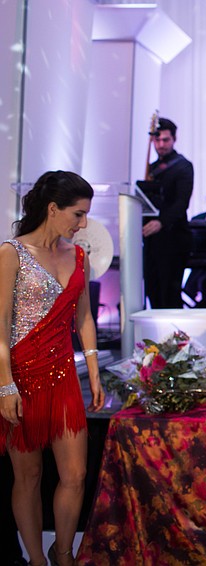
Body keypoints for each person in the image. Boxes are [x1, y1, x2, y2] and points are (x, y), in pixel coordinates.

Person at [0, 171, 105, 566]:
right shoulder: (11, 253)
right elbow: (1, 323)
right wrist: (4, 386)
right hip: (20, 379)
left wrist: (93, 372)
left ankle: (63, 553)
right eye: (78, 215)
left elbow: (85, 318)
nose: (82, 225)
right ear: (52, 209)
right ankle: (36, 560)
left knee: (75, 474)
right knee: (27, 477)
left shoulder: (79, 256)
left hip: (63, 378)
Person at [142, 117, 194, 308]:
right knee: (152, 290)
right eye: (157, 140)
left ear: (174, 139)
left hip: (173, 238)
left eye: (165, 140)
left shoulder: (183, 166)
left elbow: (182, 203)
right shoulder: (152, 168)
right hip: (151, 239)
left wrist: (161, 222)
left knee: (169, 292)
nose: (161, 145)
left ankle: (174, 337)